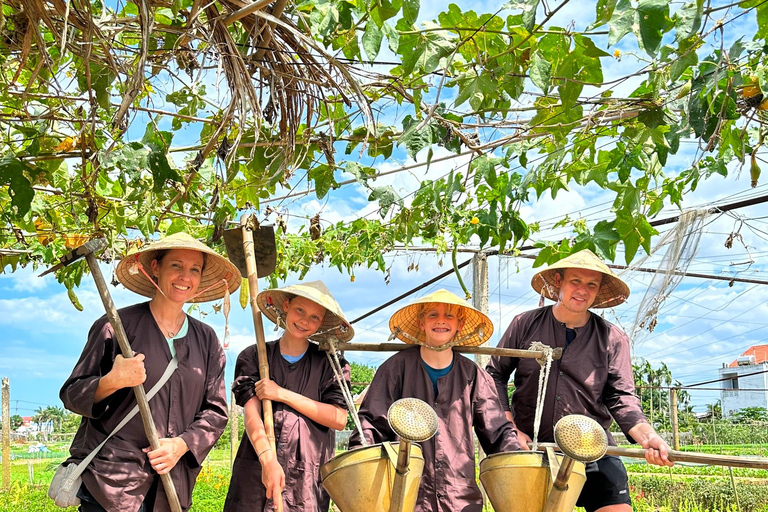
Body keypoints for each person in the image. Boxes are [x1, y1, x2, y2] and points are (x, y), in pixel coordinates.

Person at [60, 232, 237, 512]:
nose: (185, 277)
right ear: (156, 268)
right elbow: (72, 394)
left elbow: (215, 412)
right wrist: (111, 381)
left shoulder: (207, 341)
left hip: (171, 485)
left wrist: (181, 445)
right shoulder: (115, 326)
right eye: (176, 265)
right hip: (112, 483)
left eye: (194, 270)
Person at [486, 249, 673, 512]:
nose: (582, 290)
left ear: (597, 292)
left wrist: (648, 437)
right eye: (575, 281)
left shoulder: (611, 338)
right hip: (533, 447)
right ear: (559, 281)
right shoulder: (525, 324)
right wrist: (511, 428)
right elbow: (494, 375)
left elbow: (621, 397)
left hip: (593, 447)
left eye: (591, 285)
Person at [349, 289, 524, 512]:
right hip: (406, 495)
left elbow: (497, 432)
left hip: (459, 497)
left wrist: (518, 460)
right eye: (433, 314)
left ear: (460, 324)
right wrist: (359, 460)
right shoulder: (394, 370)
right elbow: (371, 424)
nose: (441, 320)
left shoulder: (474, 376)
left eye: (449, 315)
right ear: (421, 323)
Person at [224, 281, 353, 512]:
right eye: (300, 310)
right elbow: (252, 415)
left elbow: (338, 418)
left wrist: (281, 394)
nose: (304, 320)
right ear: (286, 306)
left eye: (315, 317)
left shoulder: (331, 365)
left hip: (304, 478)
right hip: (256, 471)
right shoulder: (254, 356)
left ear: (321, 322)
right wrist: (267, 460)